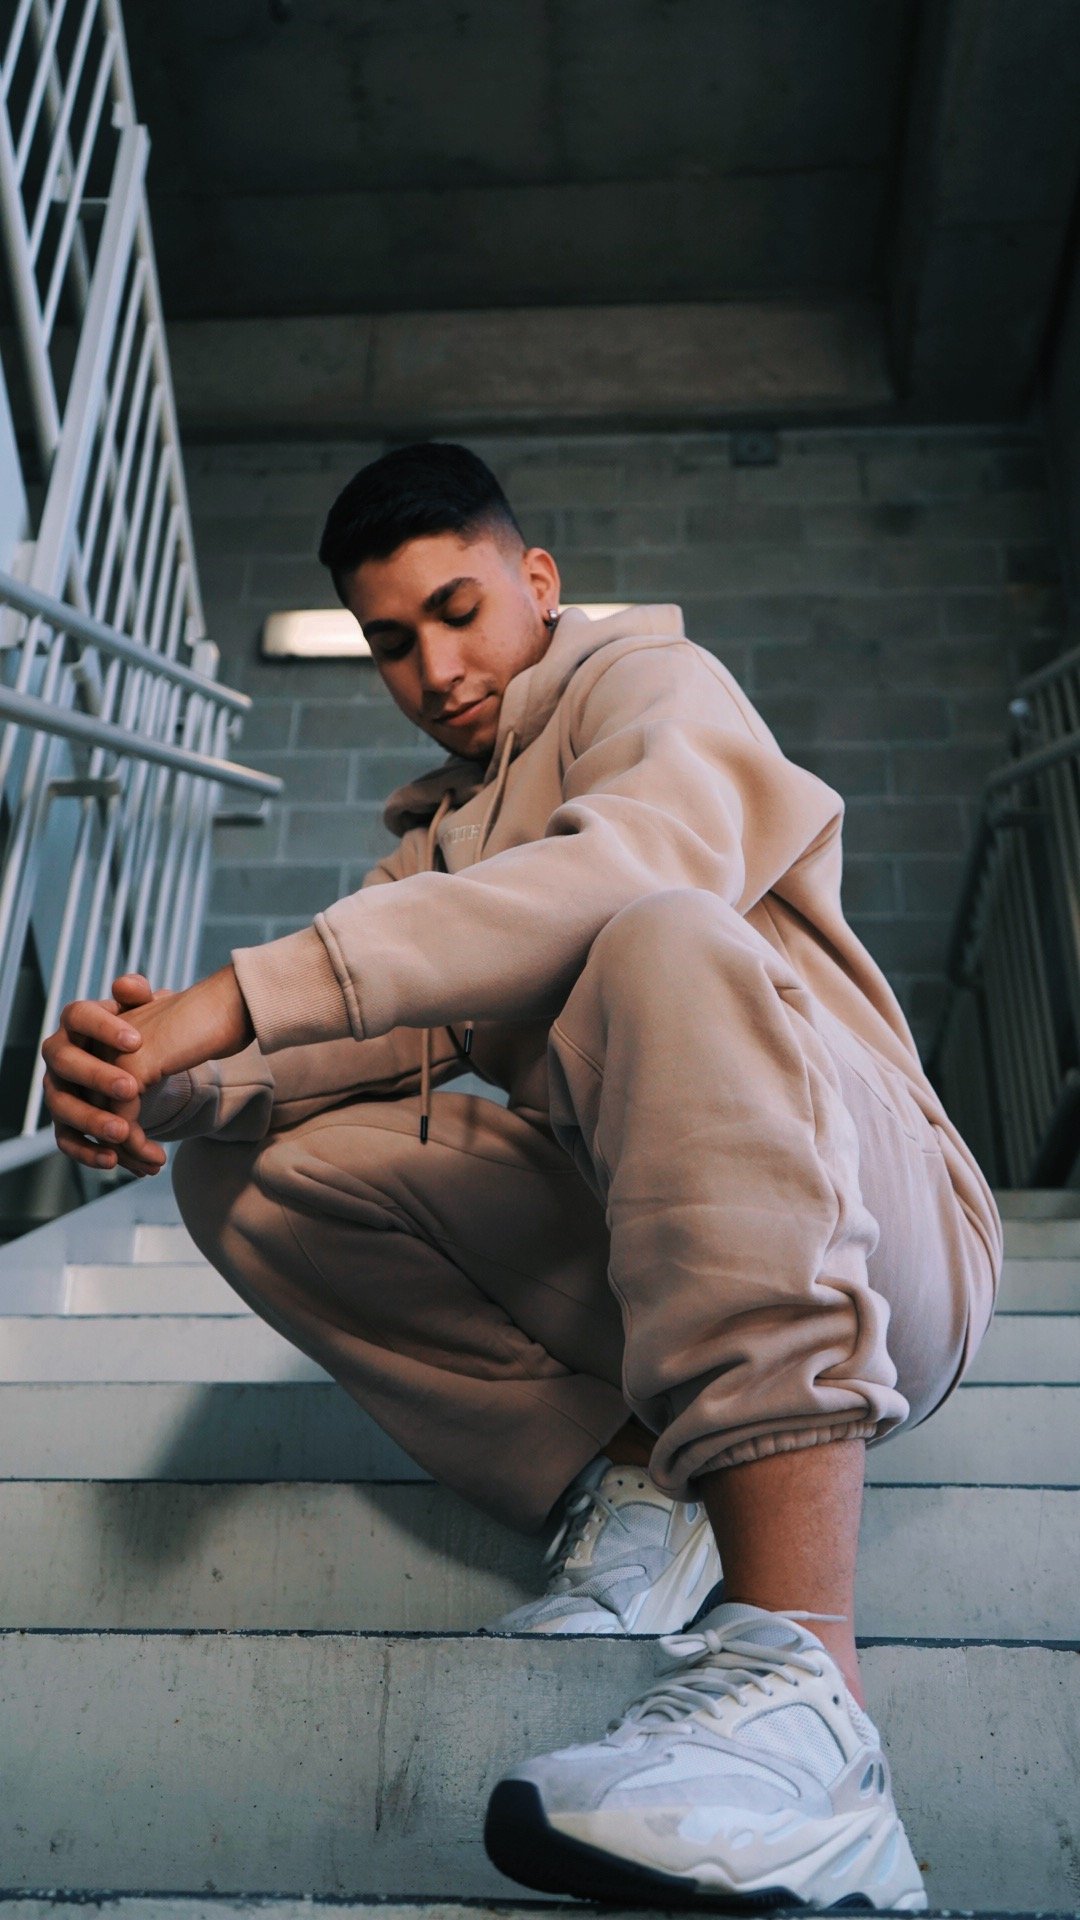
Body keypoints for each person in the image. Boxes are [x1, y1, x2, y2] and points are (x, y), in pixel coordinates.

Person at [42, 439, 1002, 1910]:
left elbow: (629, 870)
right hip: (665, 1249)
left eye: (459, 607)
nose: (435, 665)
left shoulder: (651, 687)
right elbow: (332, 1046)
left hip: (885, 1237)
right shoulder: (434, 847)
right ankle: (637, 1486)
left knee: (662, 936)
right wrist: (159, 1078)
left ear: (537, 581)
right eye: (392, 642)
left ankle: (809, 1696)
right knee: (244, 1174)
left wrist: (238, 988)